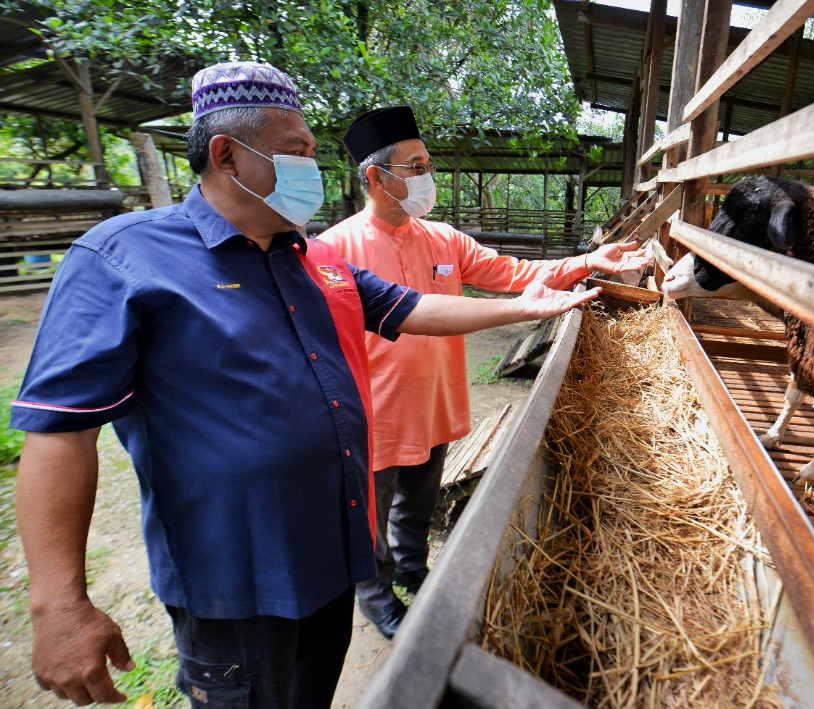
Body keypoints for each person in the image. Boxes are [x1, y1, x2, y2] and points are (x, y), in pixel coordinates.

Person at [11, 63, 599, 708]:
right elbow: (59, 429)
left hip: (331, 552)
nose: (310, 170)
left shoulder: (315, 258)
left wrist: (526, 306)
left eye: (312, 154)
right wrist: (60, 604)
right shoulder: (123, 258)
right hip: (236, 577)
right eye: (295, 153)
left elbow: (411, 309)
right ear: (226, 153)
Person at [319, 105, 649, 639]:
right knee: (369, 514)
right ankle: (377, 596)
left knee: (420, 499)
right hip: (373, 409)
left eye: (427, 162)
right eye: (416, 165)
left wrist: (589, 260)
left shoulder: (444, 239)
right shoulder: (334, 248)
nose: (428, 175)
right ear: (375, 177)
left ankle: (411, 566)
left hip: (436, 397)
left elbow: (514, 272)